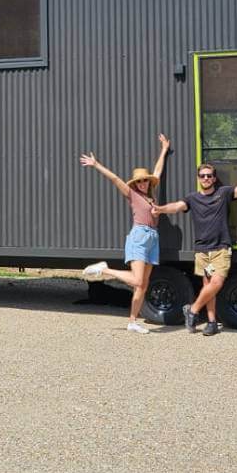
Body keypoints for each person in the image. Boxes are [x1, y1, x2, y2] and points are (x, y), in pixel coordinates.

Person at [154, 163, 237, 336]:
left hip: (220, 249)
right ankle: (212, 323)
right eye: (203, 176)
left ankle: (192, 310)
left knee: (216, 283)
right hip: (202, 250)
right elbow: (176, 206)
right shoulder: (192, 198)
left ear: (214, 178)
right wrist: (160, 210)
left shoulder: (224, 193)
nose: (206, 178)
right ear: (198, 178)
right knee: (208, 287)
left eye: (209, 175)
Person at [79, 134, 171, 334]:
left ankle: (132, 321)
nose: (143, 184)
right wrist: (96, 164)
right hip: (139, 236)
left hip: (153, 239)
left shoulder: (151, 196)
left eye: (145, 181)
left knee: (142, 286)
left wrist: (164, 149)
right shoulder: (132, 195)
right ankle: (105, 271)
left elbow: (158, 171)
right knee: (137, 281)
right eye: (139, 182)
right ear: (135, 184)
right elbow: (115, 178)